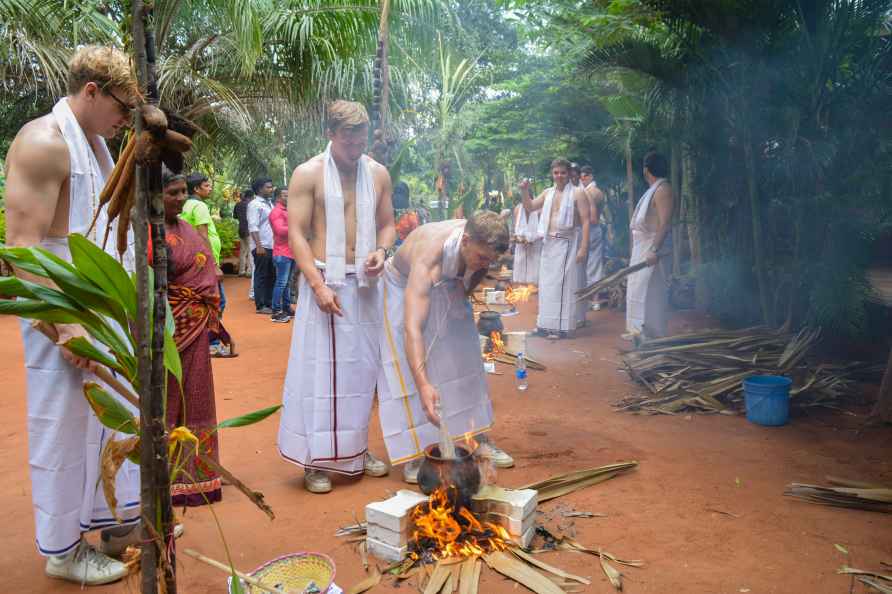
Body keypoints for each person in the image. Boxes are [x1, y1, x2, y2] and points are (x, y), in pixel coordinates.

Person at [3, 45, 141, 585]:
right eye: (121, 108)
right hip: (58, 303)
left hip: (97, 302)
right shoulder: (44, 143)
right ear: (91, 92)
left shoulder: (97, 146)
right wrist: (66, 326)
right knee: (63, 426)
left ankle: (110, 521)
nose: (123, 120)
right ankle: (63, 551)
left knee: (105, 418)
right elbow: (22, 248)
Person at [277, 100, 395, 494]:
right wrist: (317, 285)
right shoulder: (307, 173)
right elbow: (297, 233)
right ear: (330, 133)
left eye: (362, 134)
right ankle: (316, 460)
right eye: (348, 135)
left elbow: (388, 224)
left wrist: (382, 251)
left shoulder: (377, 174)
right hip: (324, 278)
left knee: (362, 372)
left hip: (364, 282)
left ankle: (356, 451)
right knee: (319, 372)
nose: (357, 143)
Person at [377, 212, 515, 484]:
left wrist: (462, 290)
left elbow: (476, 272)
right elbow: (412, 329)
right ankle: (417, 453)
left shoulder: (479, 248)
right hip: (402, 284)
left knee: (464, 355)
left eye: (491, 260)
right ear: (465, 241)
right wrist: (424, 384)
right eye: (482, 258)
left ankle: (476, 436)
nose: (486, 265)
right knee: (411, 368)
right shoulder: (429, 258)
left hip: (449, 282)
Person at [162, 169, 232, 506]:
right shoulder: (144, 232)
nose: (179, 198)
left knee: (198, 397)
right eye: (171, 192)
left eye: (180, 192)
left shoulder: (183, 227)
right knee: (169, 398)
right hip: (168, 331)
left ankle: (200, 476)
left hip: (195, 325)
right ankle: (167, 479)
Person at [520, 159, 591, 338]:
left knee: (563, 286)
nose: (559, 176)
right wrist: (524, 190)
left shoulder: (577, 193)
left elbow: (585, 221)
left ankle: (562, 328)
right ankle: (544, 325)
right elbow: (529, 206)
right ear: (552, 174)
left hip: (567, 243)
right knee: (547, 286)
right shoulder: (547, 193)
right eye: (556, 173)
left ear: (568, 174)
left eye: (563, 173)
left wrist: (583, 248)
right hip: (548, 243)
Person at [627, 150, 674, 339]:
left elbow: (665, 223)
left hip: (653, 251)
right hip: (643, 249)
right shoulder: (654, 189)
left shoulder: (663, 190)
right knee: (639, 294)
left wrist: (654, 250)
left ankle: (654, 340)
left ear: (646, 170)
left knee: (652, 297)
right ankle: (641, 337)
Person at [248, 177, 275, 314]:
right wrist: (258, 246)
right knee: (261, 275)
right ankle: (260, 305)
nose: (271, 189)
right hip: (261, 245)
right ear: (259, 189)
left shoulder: (270, 203)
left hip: (272, 245)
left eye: (271, 187)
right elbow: (253, 226)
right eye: (268, 187)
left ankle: (269, 303)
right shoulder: (254, 205)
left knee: (271, 275)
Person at [580, 165, 606, 306]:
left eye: (584, 176)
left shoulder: (591, 192)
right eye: (581, 176)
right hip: (593, 230)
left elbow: (592, 218)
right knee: (593, 264)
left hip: (591, 229)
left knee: (591, 265)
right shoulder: (596, 191)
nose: (581, 179)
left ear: (590, 176)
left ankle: (593, 299)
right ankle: (593, 299)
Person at [269, 187, 294, 323]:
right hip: (282, 252)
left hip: (290, 252)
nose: (288, 198)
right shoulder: (276, 212)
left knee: (287, 283)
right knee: (281, 282)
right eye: (285, 196)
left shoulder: (288, 211)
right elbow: (280, 231)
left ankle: (286, 308)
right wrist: (296, 227)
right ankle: (276, 311)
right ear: (278, 197)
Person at [511, 192, 541, 285]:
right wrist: (518, 238)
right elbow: (515, 230)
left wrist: (532, 239)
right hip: (521, 247)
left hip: (536, 247)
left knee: (535, 275)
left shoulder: (539, 211)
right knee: (520, 279)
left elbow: (542, 231)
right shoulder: (517, 209)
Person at [233, 188, 254, 277]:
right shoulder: (251, 205)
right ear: (252, 196)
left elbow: (235, 217)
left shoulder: (238, 204)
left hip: (241, 229)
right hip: (249, 230)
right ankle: (249, 272)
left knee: (242, 251)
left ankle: (241, 271)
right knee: (250, 251)